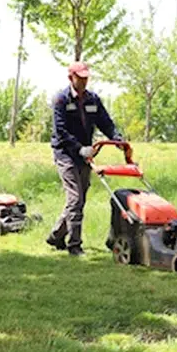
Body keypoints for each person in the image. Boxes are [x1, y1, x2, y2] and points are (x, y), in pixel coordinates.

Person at [47, 61, 123, 257]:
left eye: (86, 78)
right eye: (79, 78)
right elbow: (60, 131)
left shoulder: (93, 100)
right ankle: (74, 245)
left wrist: (116, 138)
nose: (83, 81)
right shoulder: (61, 100)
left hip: (86, 154)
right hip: (66, 153)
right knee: (74, 198)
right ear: (70, 78)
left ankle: (56, 236)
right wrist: (79, 148)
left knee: (80, 199)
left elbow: (105, 122)